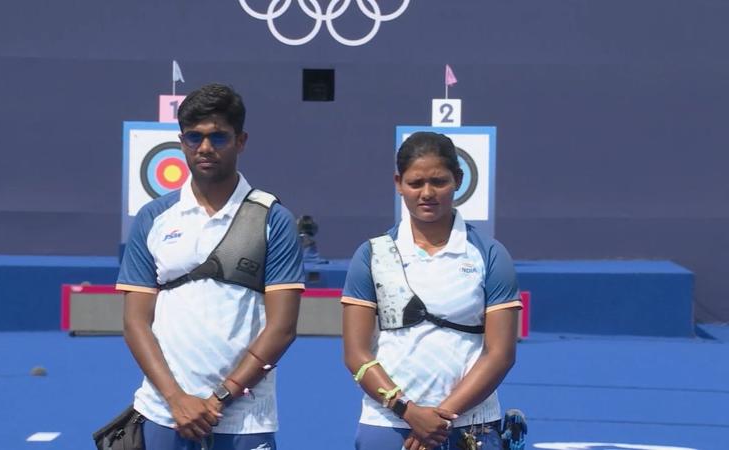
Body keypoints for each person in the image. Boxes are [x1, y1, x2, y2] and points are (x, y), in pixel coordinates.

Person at [117, 83, 304, 450]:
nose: (205, 148)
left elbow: (282, 329)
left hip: (244, 419)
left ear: (241, 141)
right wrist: (176, 400)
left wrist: (219, 399)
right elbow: (135, 322)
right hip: (162, 413)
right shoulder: (153, 218)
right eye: (194, 137)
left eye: (218, 137)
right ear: (182, 141)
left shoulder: (274, 219)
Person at [341, 131, 523, 450]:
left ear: (459, 179)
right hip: (387, 425)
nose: (427, 193)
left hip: (470, 428)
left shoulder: (491, 255)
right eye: (415, 183)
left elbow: (500, 354)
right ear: (399, 183)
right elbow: (357, 355)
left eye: (439, 181)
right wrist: (408, 412)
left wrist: (440, 420)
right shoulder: (371, 255)